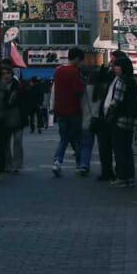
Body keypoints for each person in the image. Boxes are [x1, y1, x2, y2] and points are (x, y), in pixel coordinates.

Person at [50, 47, 86, 177]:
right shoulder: (75, 72)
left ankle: (57, 162)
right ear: (76, 59)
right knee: (77, 138)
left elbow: (54, 90)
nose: (82, 63)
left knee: (64, 138)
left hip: (60, 110)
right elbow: (79, 90)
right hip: (74, 110)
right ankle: (80, 164)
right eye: (81, 60)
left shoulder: (58, 71)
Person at [106, 55, 137, 187]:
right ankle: (130, 176)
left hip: (120, 119)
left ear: (123, 67)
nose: (115, 68)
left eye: (117, 66)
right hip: (131, 120)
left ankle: (121, 176)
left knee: (119, 149)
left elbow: (117, 100)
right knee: (127, 149)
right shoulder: (132, 80)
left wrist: (109, 110)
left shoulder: (121, 80)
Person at [88, 63, 115, 181]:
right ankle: (113, 171)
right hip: (109, 119)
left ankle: (106, 171)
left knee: (103, 148)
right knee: (113, 147)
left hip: (97, 120)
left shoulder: (92, 88)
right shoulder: (109, 87)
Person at [0, 59, 27, 173]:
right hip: (4, 117)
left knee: (17, 141)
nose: (6, 76)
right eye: (3, 74)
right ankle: (8, 164)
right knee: (5, 142)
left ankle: (17, 165)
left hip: (17, 117)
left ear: (12, 74)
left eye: (8, 73)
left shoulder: (19, 86)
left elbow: (25, 103)